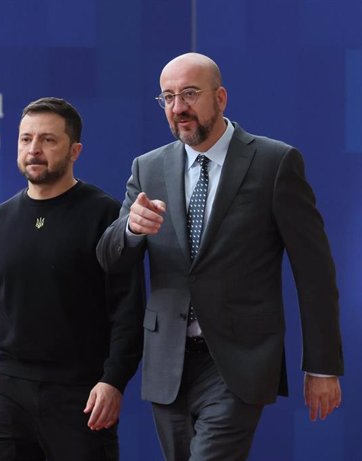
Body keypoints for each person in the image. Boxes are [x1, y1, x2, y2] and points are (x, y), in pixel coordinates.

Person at [96, 53, 344, 461]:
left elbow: (314, 271)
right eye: (168, 97)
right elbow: (109, 258)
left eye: (190, 94)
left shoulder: (274, 163)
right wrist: (130, 229)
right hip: (167, 363)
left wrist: (322, 365)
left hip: (238, 361)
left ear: (221, 98)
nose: (179, 108)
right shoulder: (148, 167)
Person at [0, 97, 144, 461]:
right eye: (26, 139)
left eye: (48, 140)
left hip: (80, 395)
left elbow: (128, 309)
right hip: (7, 392)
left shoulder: (106, 216)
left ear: (75, 150)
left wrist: (113, 380)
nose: (34, 149)